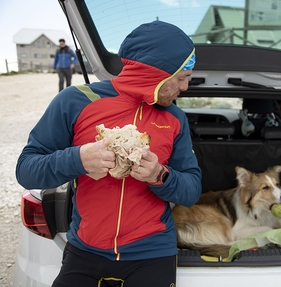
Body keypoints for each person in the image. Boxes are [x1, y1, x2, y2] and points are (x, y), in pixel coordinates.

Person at [16, 21, 202, 287]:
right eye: (181, 78)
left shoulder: (175, 118)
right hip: (85, 250)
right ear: (155, 74)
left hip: (152, 253)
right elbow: (26, 169)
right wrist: (78, 159)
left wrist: (159, 175)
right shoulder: (76, 101)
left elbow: (192, 190)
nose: (185, 88)